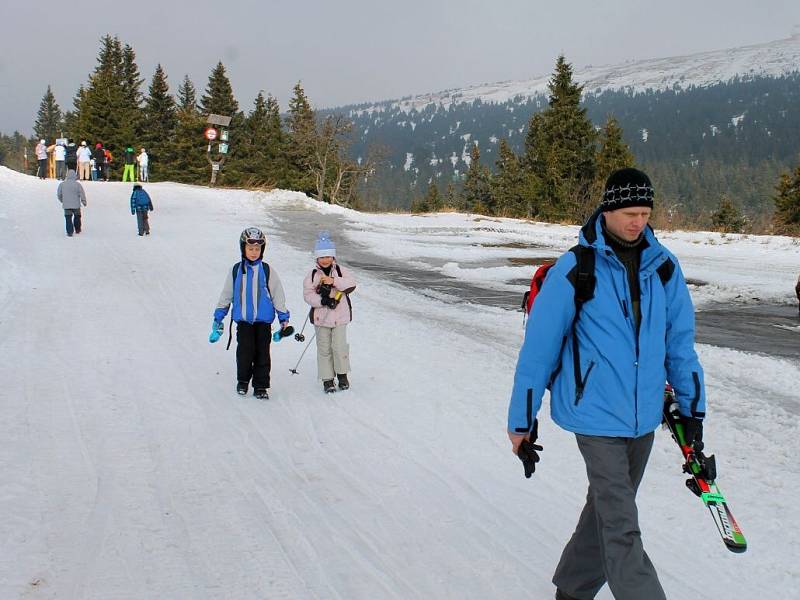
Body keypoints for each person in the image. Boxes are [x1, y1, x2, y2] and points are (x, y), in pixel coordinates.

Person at [507, 168, 706, 600]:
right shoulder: (575, 269)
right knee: (621, 526)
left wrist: (693, 413)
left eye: (645, 212)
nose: (638, 221)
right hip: (594, 415)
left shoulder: (665, 267)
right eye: (630, 212)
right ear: (609, 209)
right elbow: (537, 353)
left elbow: (680, 347)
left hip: (643, 418)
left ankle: (573, 590)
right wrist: (521, 420)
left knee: (605, 508)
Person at [210, 227, 291, 399]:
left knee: (263, 353)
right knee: (245, 351)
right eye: (250, 249)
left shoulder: (267, 271)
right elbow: (226, 295)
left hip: (263, 322)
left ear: (262, 250)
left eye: (257, 249)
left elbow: (278, 295)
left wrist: (283, 318)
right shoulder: (236, 270)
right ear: (243, 249)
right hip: (244, 321)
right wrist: (219, 317)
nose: (254, 252)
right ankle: (243, 380)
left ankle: (260, 386)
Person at [302, 232, 357, 393]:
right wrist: (322, 301)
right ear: (317, 258)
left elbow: (351, 284)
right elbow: (308, 295)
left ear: (333, 257)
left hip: (340, 318)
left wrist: (334, 281)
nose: (325, 260)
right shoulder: (313, 275)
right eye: (321, 257)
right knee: (324, 348)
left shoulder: (340, 271)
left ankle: (342, 374)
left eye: (328, 256)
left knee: (339, 347)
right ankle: (327, 379)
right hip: (321, 319)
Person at [56, 168, 87, 236]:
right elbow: (82, 193)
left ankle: (69, 232)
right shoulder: (77, 184)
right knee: (77, 217)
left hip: (66, 205)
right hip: (76, 205)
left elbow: (59, 194)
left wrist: (62, 200)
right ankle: (77, 229)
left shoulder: (62, 184)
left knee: (68, 218)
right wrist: (84, 201)